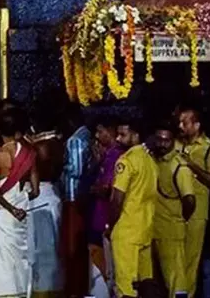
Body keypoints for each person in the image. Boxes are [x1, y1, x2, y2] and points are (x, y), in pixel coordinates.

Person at [0, 108, 38, 298]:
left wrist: (11, 208)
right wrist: (20, 202)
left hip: (4, 212)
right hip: (22, 210)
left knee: (0, 253)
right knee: (20, 255)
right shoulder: (30, 153)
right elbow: (35, 191)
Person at [111, 118, 158, 298]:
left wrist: (110, 225)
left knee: (126, 287)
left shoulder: (126, 161)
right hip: (145, 230)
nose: (118, 139)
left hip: (127, 231)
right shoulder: (150, 160)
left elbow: (117, 199)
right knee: (146, 284)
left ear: (136, 135)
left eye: (123, 134)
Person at [150, 121, 195, 298]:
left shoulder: (179, 166)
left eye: (166, 140)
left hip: (171, 232)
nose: (162, 144)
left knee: (176, 281)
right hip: (153, 229)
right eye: (159, 139)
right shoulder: (154, 160)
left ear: (173, 141)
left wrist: (180, 218)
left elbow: (190, 200)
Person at [179, 105, 210, 298]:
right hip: (173, 212)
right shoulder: (177, 145)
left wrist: (191, 165)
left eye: (184, 123)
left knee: (190, 262)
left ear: (197, 125)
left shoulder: (209, 148)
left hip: (197, 213)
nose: (180, 126)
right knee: (175, 260)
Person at [29, 118, 66, 298]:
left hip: (42, 197)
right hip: (51, 194)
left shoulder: (41, 147)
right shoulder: (55, 145)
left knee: (43, 251)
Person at [90, 117, 125, 293]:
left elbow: (107, 189)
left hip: (108, 220)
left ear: (110, 131)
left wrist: (91, 188)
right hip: (101, 218)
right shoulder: (106, 155)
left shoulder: (116, 156)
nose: (97, 136)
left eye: (100, 131)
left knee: (111, 272)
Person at [62, 105, 92, 298]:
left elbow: (77, 169)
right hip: (82, 196)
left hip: (74, 196)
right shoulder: (87, 135)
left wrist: (59, 165)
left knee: (73, 247)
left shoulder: (75, 139)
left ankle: (75, 290)